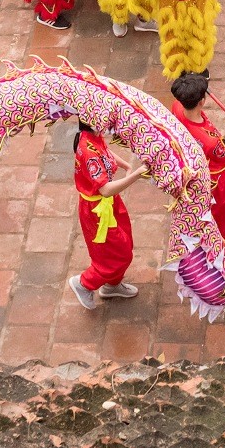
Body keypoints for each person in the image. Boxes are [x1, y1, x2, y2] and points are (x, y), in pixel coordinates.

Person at [66, 122, 147, 309]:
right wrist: (134, 176)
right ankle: (84, 283)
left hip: (109, 205)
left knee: (124, 243)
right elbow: (105, 189)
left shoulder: (91, 137)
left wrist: (124, 165)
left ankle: (112, 285)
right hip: (97, 211)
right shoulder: (88, 153)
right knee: (117, 256)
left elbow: (105, 152)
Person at [170, 71, 225, 250]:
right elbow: (224, 154)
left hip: (194, 170)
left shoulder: (176, 107)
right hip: (217, 180)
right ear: (201, 102)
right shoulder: (210, 140)